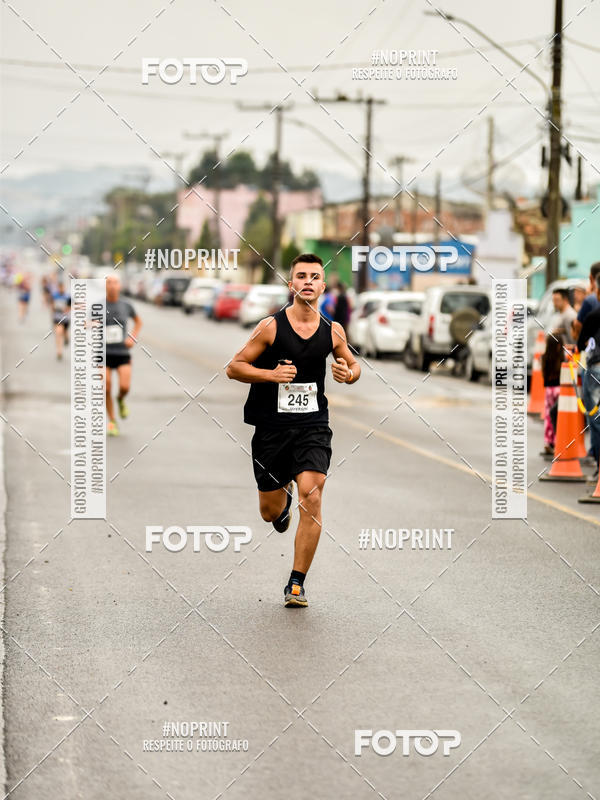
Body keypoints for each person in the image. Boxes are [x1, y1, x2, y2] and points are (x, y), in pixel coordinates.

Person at [226, 253, 361, 608]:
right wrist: (270, 375)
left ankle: (296, 583)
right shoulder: (270, 327)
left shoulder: (333, 330)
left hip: (312, 425)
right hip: (272, 429)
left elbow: (353, 364)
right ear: (291, 285)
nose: (308, 282)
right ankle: (281, 500)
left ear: (323, 286)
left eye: (314, 277)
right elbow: (234, 367)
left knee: (312, 496)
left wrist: (349, 373)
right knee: (269, 512)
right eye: (301, 276)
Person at [105, 274, 142, 436]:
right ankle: (112, 421)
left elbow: (138, 322)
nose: (112, 285)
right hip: (103, 353)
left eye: (115, 283)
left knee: (124, 387)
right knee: (106, 386)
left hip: (122, 352)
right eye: (109, 283)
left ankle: (120, 399)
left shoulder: (126, 305)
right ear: (105, 286)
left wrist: (132, 337)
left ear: (119, 286)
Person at [577, 271, 600, 469]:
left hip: (596, 368)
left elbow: (581, 343)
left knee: (595, 417)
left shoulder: (593, 315)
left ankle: (598, 462)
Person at [540, 332, 563, 455]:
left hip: (549, 390)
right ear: (559, 346)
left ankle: (548, 441)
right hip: (560, 389)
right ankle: (557, 440)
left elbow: (544, 375)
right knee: (558, 416)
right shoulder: (561, 359)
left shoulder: (544, 358)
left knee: (549, 416)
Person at [51, 280, 71, 359]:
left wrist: (65, 309)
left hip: (65, 318)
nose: (61, 289)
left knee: (64, 332)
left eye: (62, 287)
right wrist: (54, 309)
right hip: (57, 318)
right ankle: (59, 351)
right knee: (59, 333)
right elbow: (52, 306)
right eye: (59, 287)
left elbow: (70, 307)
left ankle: (66, 338)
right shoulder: (54, 296)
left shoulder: (68, 296)